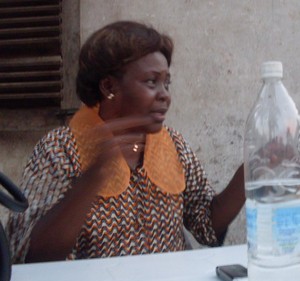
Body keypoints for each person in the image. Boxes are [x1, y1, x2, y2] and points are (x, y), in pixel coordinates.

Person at [6, 20, 245, 263]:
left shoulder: (173, 145)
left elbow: (208, 228)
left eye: (166, 83)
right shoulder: (60, 148)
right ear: (109, 86)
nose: (165, 95)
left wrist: (251, 171)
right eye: (151, 82)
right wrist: (96, 174)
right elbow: (27, 254)